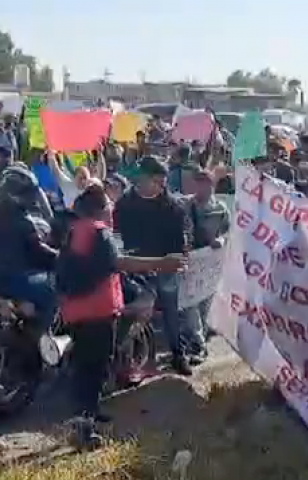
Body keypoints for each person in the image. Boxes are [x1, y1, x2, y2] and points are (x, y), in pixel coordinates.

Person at [57, 185, 186, 445]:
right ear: (100, 209)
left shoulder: (75, 232)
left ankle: (91, 413)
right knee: (93, 369)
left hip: (77, 311)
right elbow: (121, 263)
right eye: (108, 205)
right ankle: (84, 429)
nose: (112, 209)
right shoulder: (100, 233)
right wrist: (163, 263)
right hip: (97, 312)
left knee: (87, 367)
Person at [114, 156, 193, 376]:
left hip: (165, 266)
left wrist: (179, 257)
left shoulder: (173, 206)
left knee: (171, 311)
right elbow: (117, 234)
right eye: (156, 180)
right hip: (134, 265)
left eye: (161, 181)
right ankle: (123, 357)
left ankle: (178, 354)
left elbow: (184, 237)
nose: (161, 186)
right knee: (129, 310)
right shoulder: (124, 203)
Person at [0, 165, 58, 329]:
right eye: (27, 194)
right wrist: (60, 256)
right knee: (54, 291)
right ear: (13, 194)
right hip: (15, 277)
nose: (31, 198)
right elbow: (39, 252)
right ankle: (46, 338)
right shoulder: (22, 221)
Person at [180, 169, 230, 364]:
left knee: (205, 303)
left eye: (205, 183)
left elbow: (229, 232)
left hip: (210, 262)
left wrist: (221, 241)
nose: (202, 188)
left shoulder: (221, 208)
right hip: (191, 260)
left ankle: (200, 338)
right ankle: (198, 343)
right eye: (198, 183)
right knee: (190, 302)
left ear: (212, 185)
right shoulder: (185, 205)